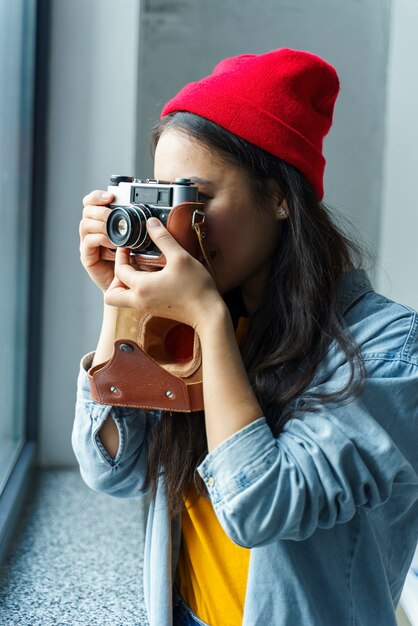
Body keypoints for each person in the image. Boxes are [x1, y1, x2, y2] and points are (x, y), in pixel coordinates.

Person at [73, 48, 418, 626]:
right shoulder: (195, 316)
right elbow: (114, 470)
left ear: (280, 197)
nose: (176, 228)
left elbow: (262, 509)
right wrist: (120, 293)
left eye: (198, 198)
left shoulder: (389, 349)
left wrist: (207, 317)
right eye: (163, 199)